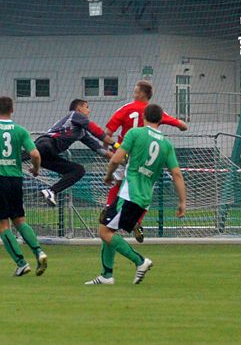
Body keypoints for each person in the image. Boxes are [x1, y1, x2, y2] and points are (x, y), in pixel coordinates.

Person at [85, 104, 187, 285]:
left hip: (129, 193)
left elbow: (116, 158)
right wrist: (182, 202)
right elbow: (177, 174)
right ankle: (106, 275)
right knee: (109, 228)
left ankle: (140, 261)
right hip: (145, 198)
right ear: (161, 119)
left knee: (104, 232)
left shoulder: (135, 134)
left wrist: (108, 176)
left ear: (144, 117)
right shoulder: (167, 144)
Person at [0, 96, 47, 277]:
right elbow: (35, 154)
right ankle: (39, 252)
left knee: (2, 225)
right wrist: (35, 169)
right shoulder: (20, 131)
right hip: (16, 180)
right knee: (19, 220)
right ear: (12, 110)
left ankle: (21, 263)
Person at [104, 80, 188, 242]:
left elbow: (108, 132)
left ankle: (109, 209)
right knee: (144, 188)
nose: (134, 93)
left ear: (141, 93)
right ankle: (137, 222)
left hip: (126, 152)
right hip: (148, 160)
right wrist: (180, 124)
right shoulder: (158, 119)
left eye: (136, 90)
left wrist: (107, 149)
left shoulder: (128, 111)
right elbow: (183, 126)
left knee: (106, 230)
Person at [37, 99, 114, 207]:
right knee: (17, 158)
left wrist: (119, 158)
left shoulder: (81, 133)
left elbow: (98, 148)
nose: (89, 110)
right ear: (79, 109)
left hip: (48, 155)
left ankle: (51, 191)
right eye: (86, 107)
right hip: (45, 144)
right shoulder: (75, 115)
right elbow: (97, 131)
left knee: (78, 170)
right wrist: (115, 144)